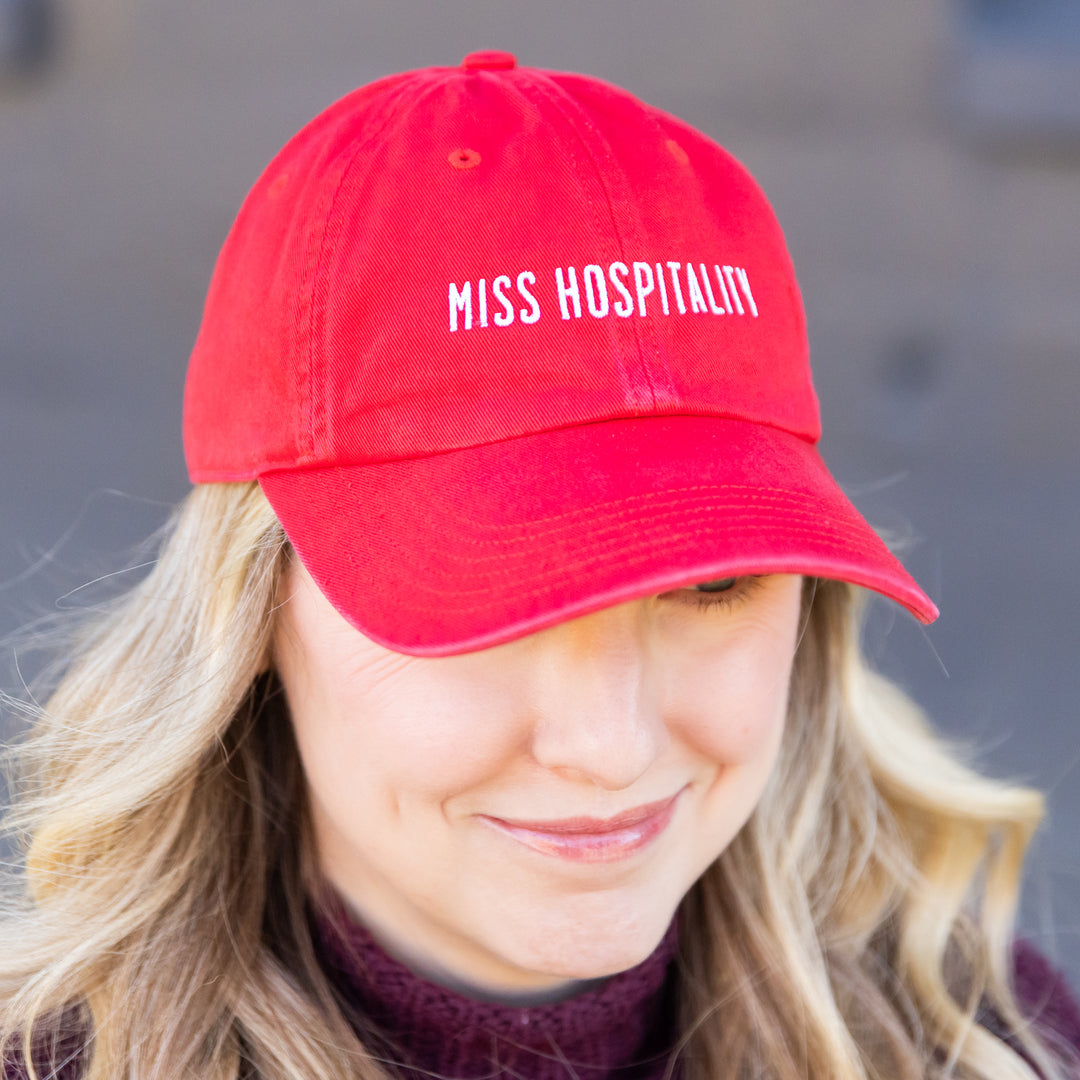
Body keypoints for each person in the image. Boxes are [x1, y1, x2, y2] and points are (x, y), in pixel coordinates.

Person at [1, 50, 1078, 1080]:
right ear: (254, 618)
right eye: (483, 604)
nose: (611, 749)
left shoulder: (991, 1043)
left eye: (712, 584)